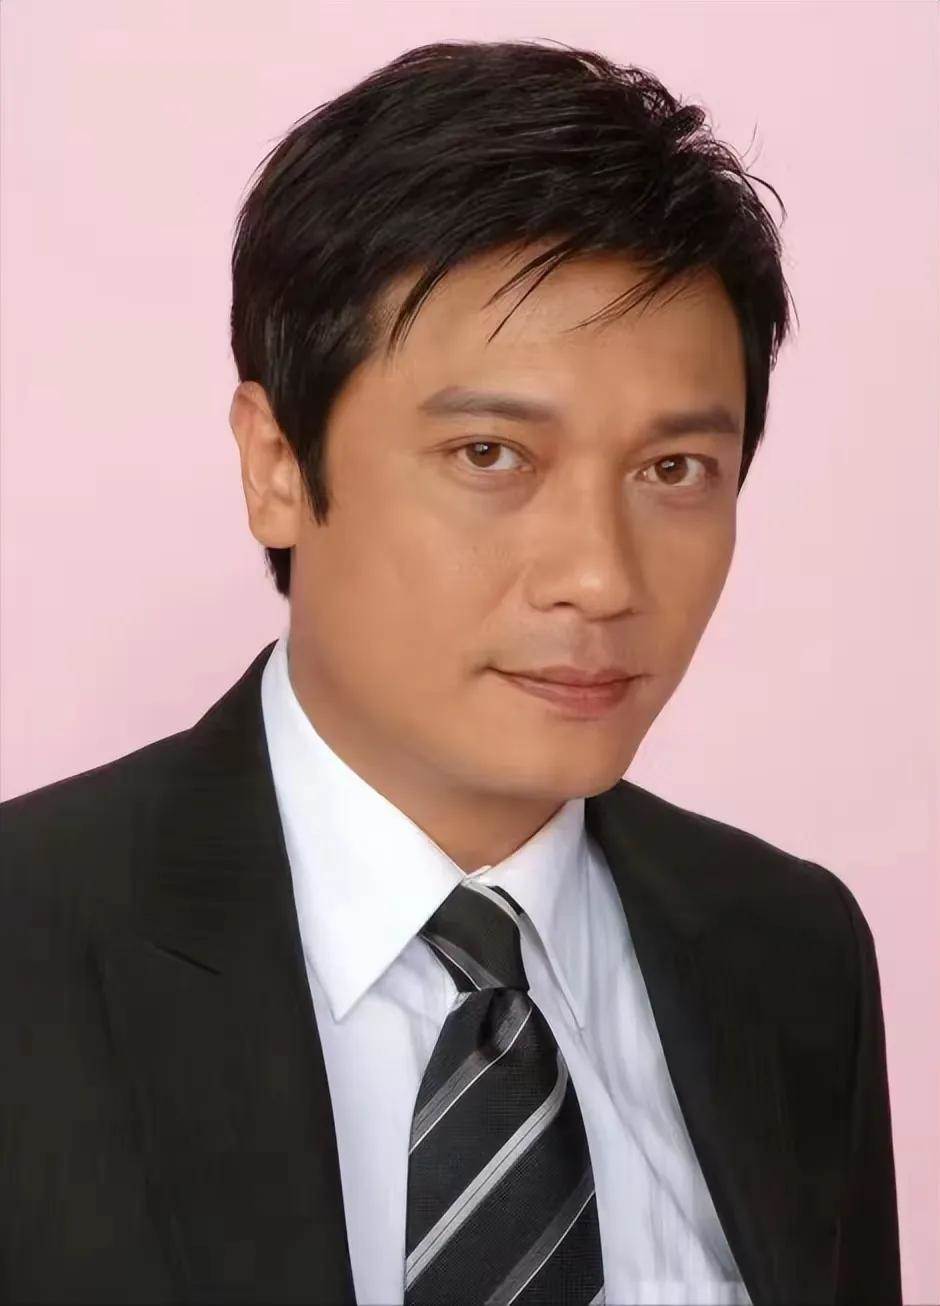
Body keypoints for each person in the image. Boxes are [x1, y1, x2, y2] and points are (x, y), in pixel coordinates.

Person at [0, 37, 900, 1306]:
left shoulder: (790, 955)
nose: (599, 576)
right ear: (275, 463)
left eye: (673, 470)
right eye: (490, 454)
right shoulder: (29, 949)